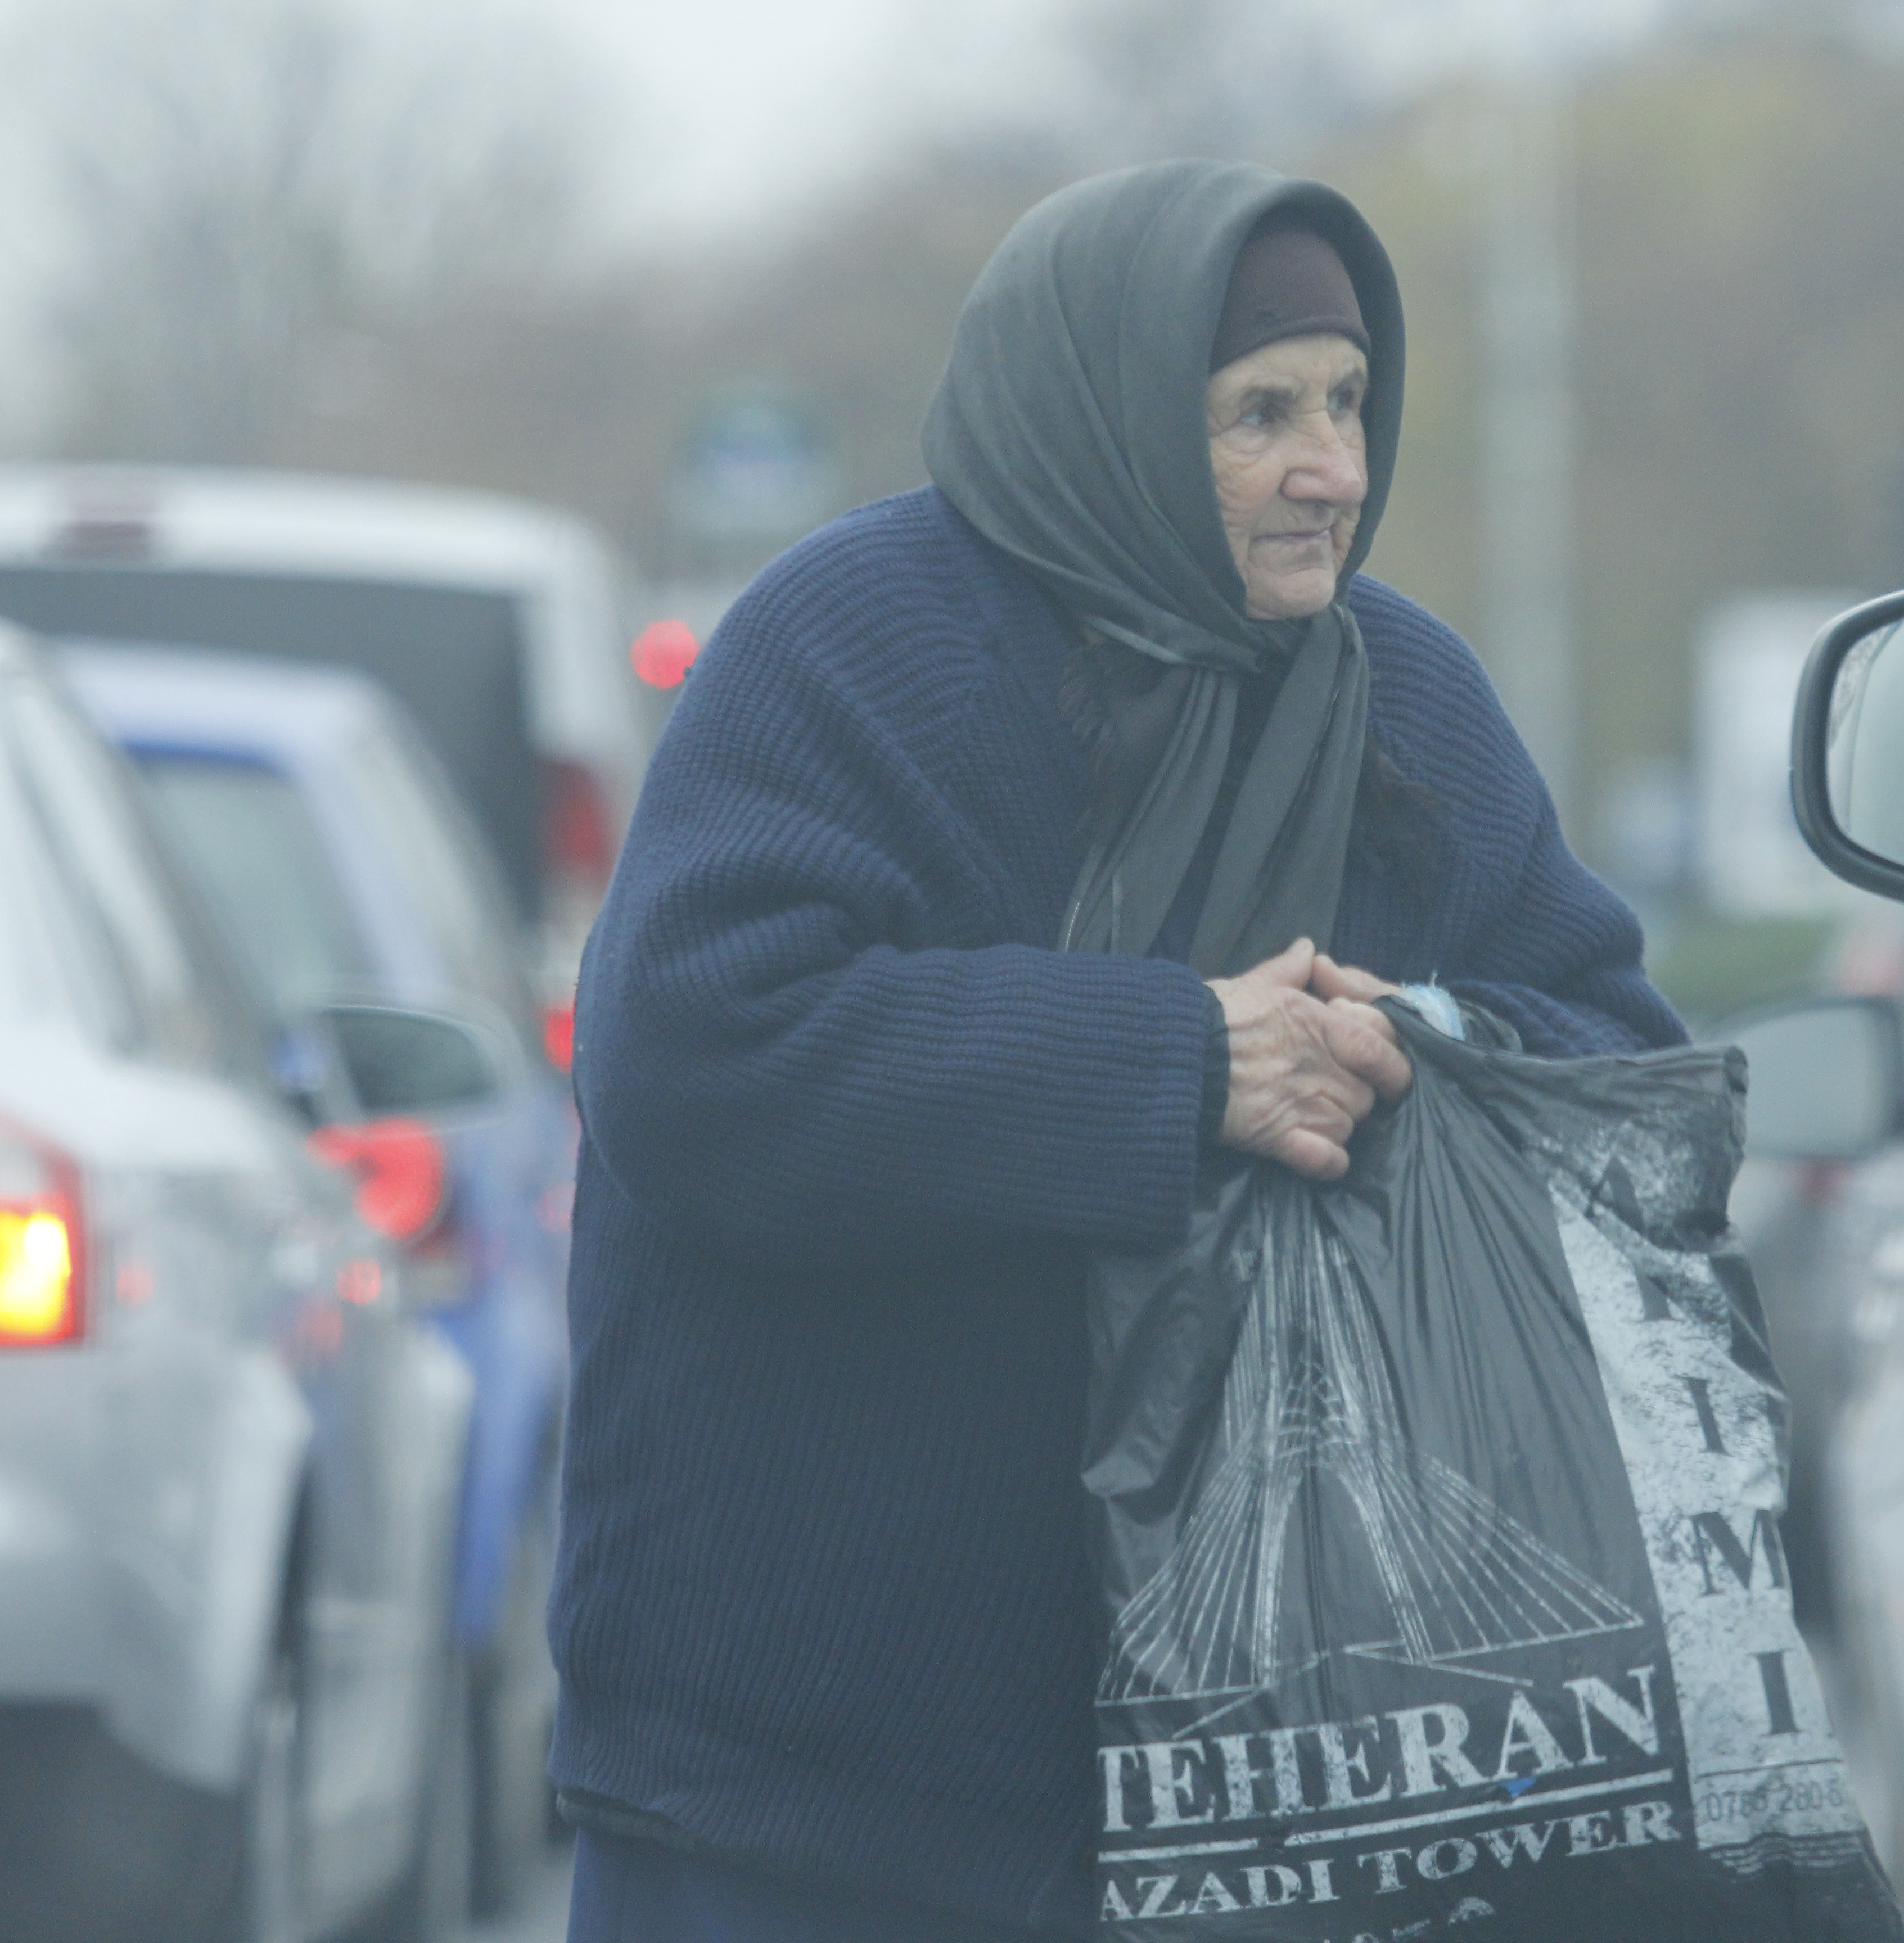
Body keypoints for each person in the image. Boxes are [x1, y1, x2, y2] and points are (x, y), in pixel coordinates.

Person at [549, 159, 1686, 1941]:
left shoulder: (1405, 699)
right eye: (1262, 414)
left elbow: (1614, 1059)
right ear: (1112, 414)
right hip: (813, 1798)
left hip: (1294, 1787)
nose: (1336, 470)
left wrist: (1408, 1043)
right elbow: (696, 1051)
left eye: (1350, 402)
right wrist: (1173, 1065)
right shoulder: (849, 648)